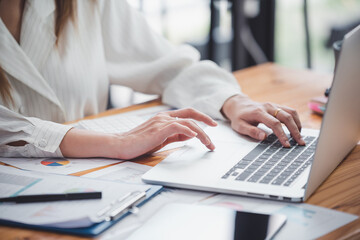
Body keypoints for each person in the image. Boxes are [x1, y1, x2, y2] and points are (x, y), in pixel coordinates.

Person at [0, 0, 305, 159]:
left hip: (88, 177)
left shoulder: (85, 3)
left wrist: (232, 102)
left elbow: (171, 67)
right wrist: (116, 142)